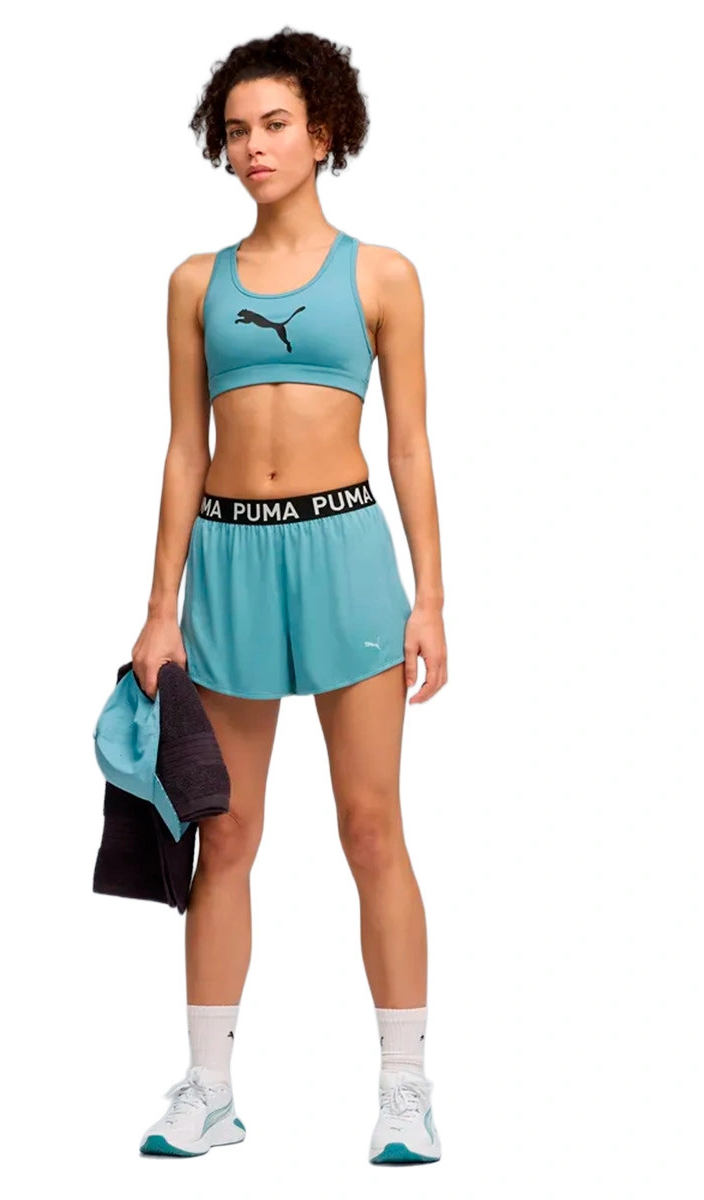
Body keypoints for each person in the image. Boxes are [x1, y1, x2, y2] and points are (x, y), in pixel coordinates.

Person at [129, 28, 448, 1165]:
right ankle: (208, 1091)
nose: (252, 146)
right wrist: (159, 605)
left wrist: (431, 599)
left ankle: (405, 1089)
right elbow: (185, 449)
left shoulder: (382, 275)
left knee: (371, 826)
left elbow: (408, 447)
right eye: (235, 130)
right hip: (229, 562)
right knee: (226, 832)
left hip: (345, 556)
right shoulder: (194, 283)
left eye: (273, 125)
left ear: (322, 133)